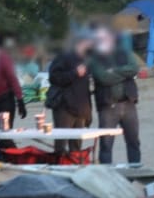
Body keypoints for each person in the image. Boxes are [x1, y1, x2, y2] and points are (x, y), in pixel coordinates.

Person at [90, 26, 141, 164]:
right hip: (108, 107)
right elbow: (103, 77)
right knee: (106, 145)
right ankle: (107, 177)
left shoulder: (125, 52)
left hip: (128, 103)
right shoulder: (95, 58)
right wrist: (124, 73)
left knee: (134, 142)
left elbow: (134, 69)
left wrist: (114, 71)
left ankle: (134, 173)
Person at [46, 31, 94, 153]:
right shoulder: (64, 56)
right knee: (61, 145)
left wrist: (88, 112)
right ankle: (59, 168)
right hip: (64, 108)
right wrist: (74, 73)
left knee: (76, 147)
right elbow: (54, 77)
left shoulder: (86, 59)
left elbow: (85, 88)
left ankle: (75, 170)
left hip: (81, 109)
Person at [0, 33, 26, 129]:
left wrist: (20, 99)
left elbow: (12, 78)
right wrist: (20, 99)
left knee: (1, 134)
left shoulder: (2, 57)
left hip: (3, 100)